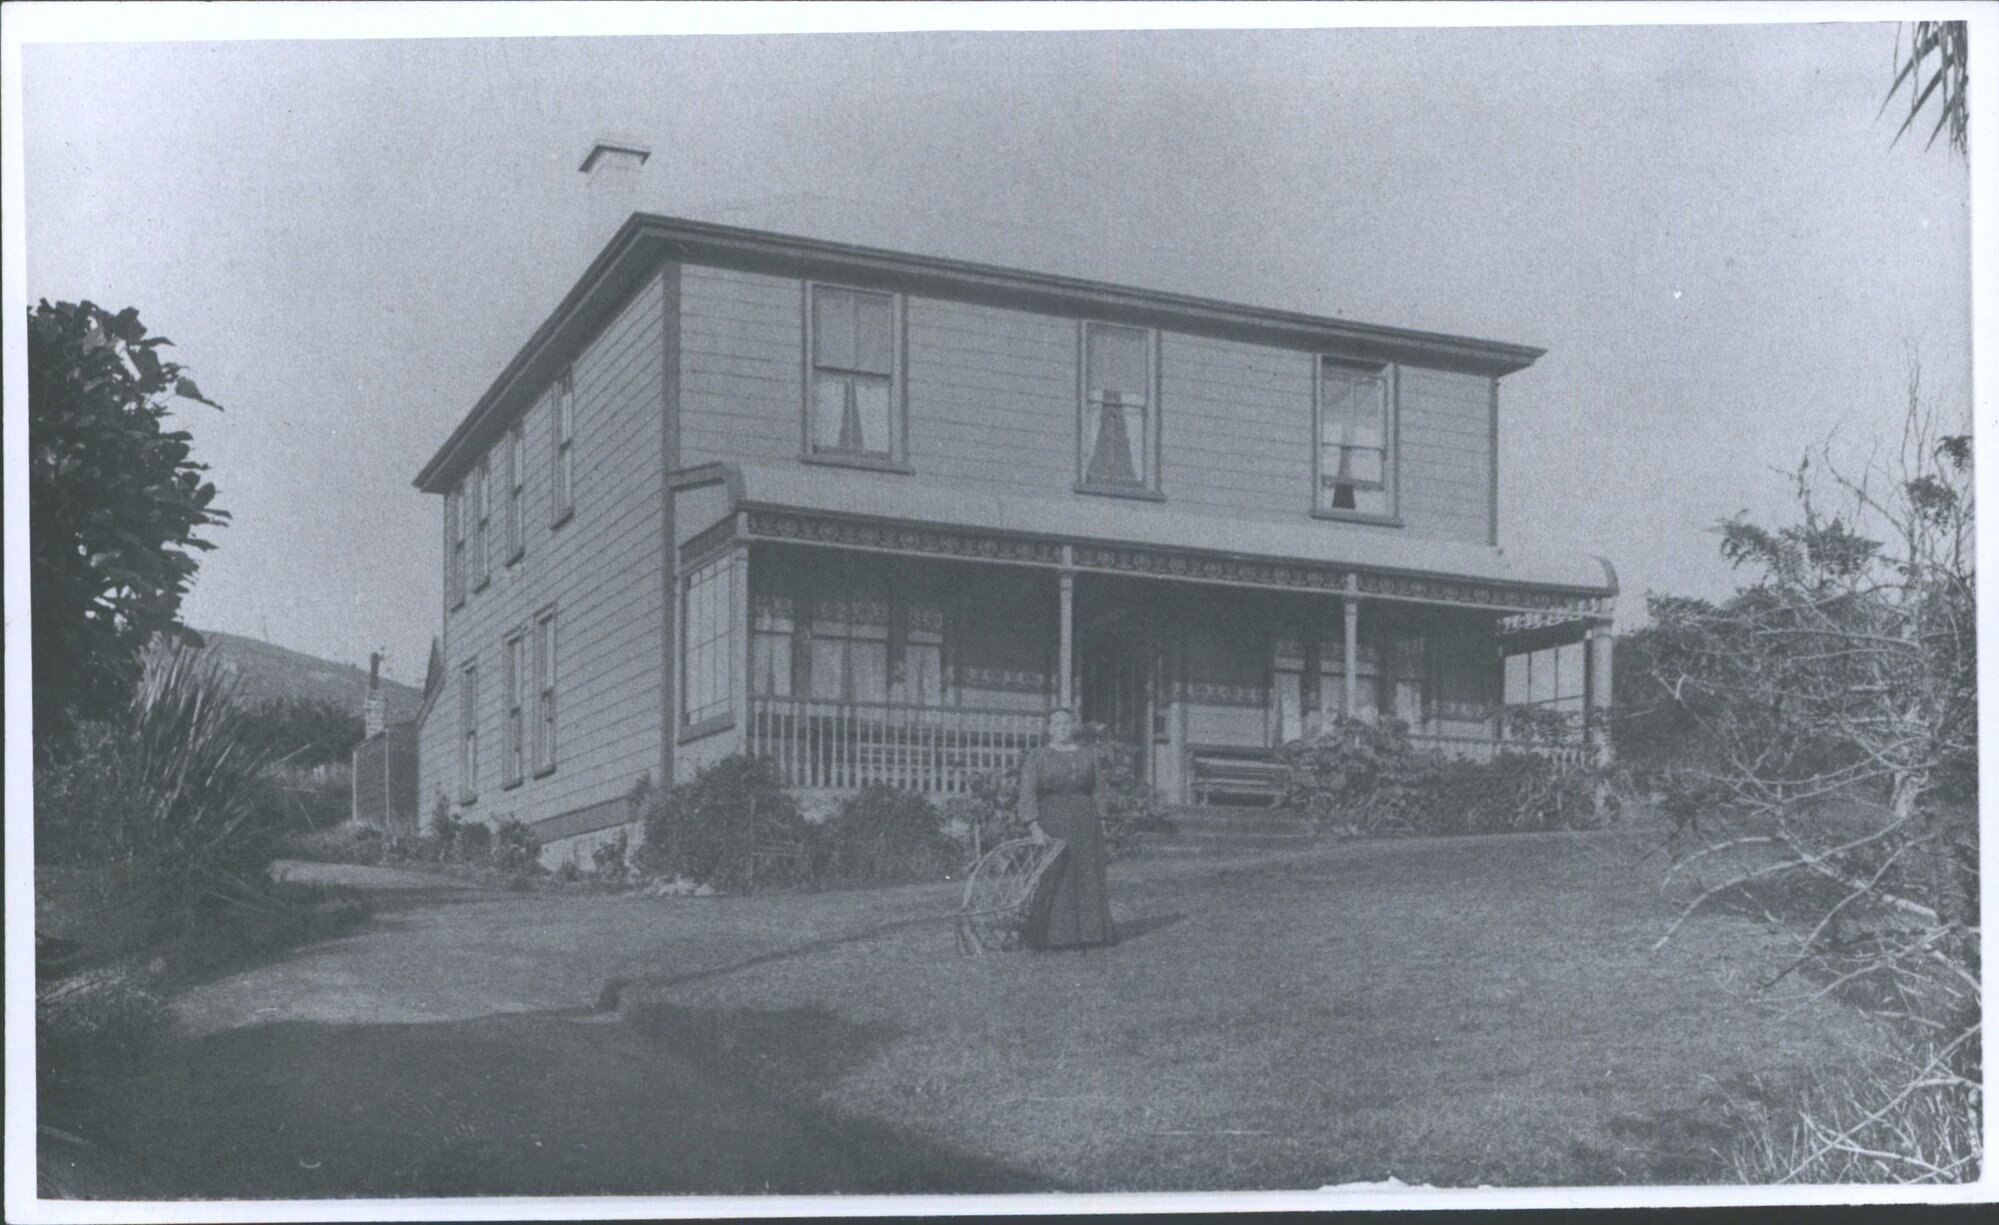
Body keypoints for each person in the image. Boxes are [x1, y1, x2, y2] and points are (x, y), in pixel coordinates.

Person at [1017, 707, 1117, 950]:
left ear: (1074, 727)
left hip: (1085, 822)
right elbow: (1027, 793)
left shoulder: (1088, 755)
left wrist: (1102, 821)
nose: (1062, 728)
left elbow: (1098, 790)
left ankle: (1091, 935)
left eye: (1067, 724)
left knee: (1086, 875)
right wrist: (1034, 827)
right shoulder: (1037, 756)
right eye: (1057, 724)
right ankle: (1055, 937)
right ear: (1049, 729)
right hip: (1053, 821)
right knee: (1056, 876)